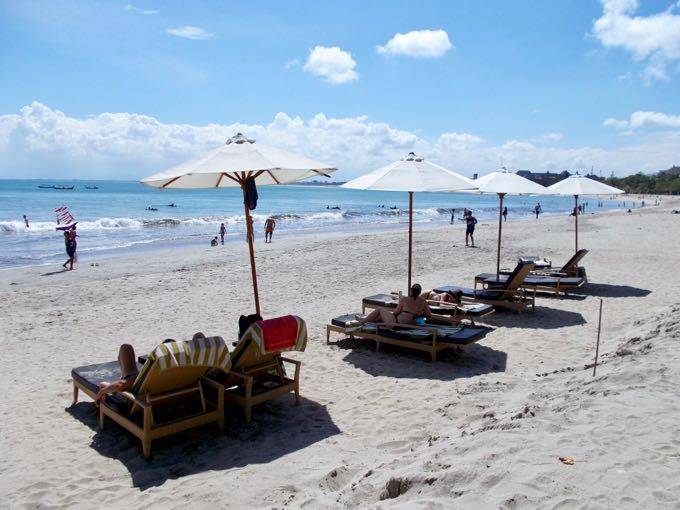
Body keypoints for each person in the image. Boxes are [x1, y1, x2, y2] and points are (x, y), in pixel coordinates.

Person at [95, 333, 206, 405]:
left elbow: (121, 384)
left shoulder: (152, 373)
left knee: (126, 348)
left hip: (149, 398)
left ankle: (124, 372)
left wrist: (102, 391)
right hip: (182, 389)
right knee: (199, 335)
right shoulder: (189, 369)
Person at [356, 284, 431, 326]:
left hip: (398, 323)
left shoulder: (405, 299)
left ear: (411, 290)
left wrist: (392, 314)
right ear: (419, 292)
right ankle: (365, 320)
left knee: (380, 309)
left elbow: (396, 312)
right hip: (413, 323)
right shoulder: (423, 301)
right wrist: (419, 314)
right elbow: (428, 315)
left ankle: (362, 322)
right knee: (383, 316)